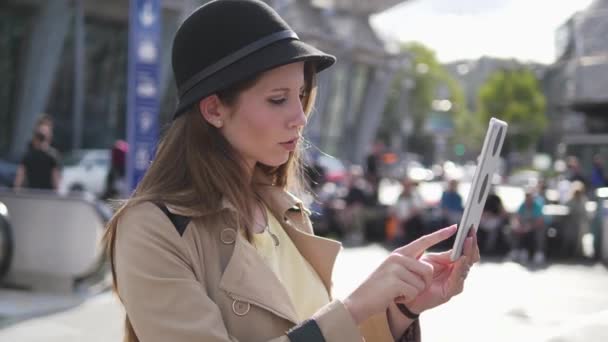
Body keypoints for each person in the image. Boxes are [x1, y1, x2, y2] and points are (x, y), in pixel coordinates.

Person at [103, 1, 479, 341]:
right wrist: (355, 307)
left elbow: (318, 330)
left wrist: (400, 308)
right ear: (214, 109)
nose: (299, 118)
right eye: (277, 99)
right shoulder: (152, 229)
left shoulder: (285, 211)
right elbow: (327, 327)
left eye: (300, 96)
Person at [13, 118, 61, 191]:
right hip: (41, 195)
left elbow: (19, 178)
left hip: (38, 195)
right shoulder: (51, 155)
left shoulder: (29, 155)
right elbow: (56, 182)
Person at [507, 188, 546, 264]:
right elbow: (516, 218)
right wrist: (517, 226)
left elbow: (540, 221)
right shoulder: (522, 206)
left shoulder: (537, 206)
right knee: (512, 231)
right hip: (524, 227)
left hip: (536, 227)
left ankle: (539, 253)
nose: (528, 200)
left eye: (530, 198)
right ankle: (516, 250)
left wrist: (529, 226)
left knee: (540, 233)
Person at [390, 178, 426, 246]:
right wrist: (399, 220)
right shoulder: (400, 196)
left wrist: (406, 218)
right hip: (402, 220)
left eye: (408, 185)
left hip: (412, 220)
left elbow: (417, 209)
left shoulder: (416, 195)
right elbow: (394, 209)